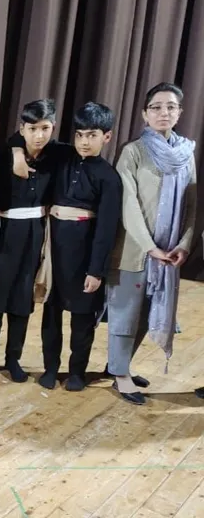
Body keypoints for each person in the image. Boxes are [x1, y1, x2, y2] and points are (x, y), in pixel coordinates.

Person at [12, 102, 122, 391]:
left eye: (92, 135)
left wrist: (95, 270)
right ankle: (51, 368)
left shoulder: (110, 178)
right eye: (80, 135)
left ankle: (76, 372)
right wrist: (15, 152)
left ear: (106, 137)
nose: (85, 142)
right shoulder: (61, 155)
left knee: (82, 320)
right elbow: (19, 136)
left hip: (84, 255)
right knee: (51, 314)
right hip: (53, 251)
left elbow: (107, 229)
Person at [106, 83, 196, 405]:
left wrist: (183, 245)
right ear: (145, 114)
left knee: (147, 313)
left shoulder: (187, 154)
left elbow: (192, 205)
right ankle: (119, 375)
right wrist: (150, 247)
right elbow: (128, 204)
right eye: (156, 107)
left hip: (169, 254)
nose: (163, 113)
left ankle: (120, 365)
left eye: (170, 107)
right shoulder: (133, 152)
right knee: (125, 312)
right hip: (134, 250)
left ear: (179, 113)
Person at [0, 99, 56, 383]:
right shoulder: (4, 153)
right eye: (32, 129)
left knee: (22, 299)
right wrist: (17, 149)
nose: (39, 135)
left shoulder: (57, 154)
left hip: (34, 234)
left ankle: (13, 358)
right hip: (4, 232)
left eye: (45, 128)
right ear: (22, 128)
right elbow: (9, 143)